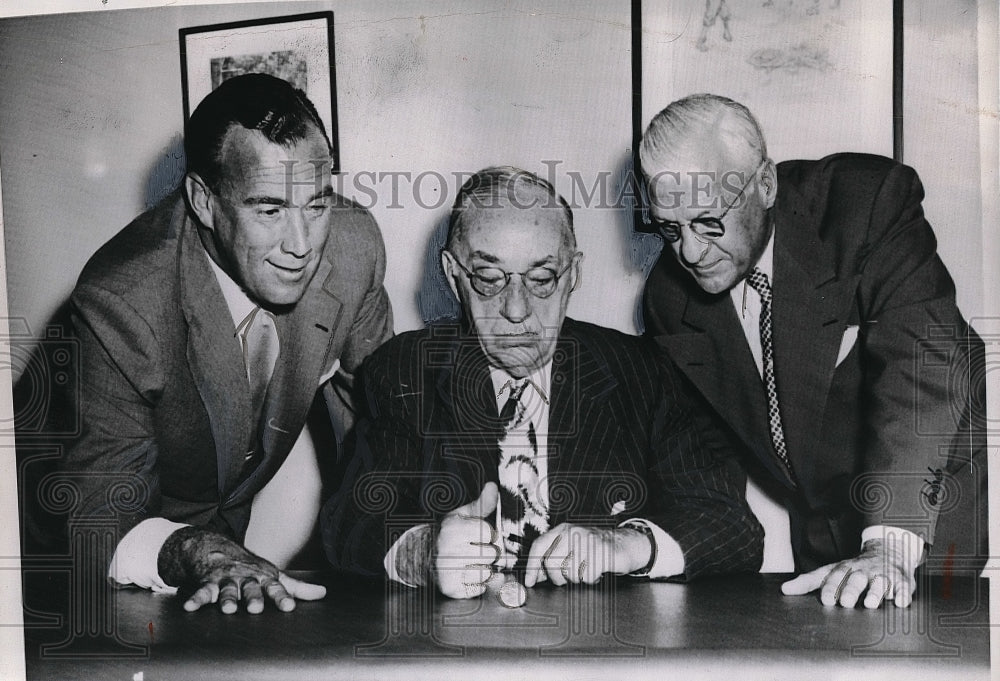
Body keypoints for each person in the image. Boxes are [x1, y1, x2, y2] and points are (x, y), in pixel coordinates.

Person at [322, 166, 763, 598]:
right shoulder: (405, 370)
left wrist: (628, 546)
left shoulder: (643, 372)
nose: (517, 309)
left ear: (572, 275)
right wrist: (419, 553)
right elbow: (347, 523)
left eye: (542, 278)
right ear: (454, 276)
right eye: (489, 279)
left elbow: (732, 527)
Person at [60, 74, 393, 614]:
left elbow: (386, 428)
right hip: (104, 564)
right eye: (269, 211)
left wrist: (424, 532)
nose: (302, 245)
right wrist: (200, 549)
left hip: (231, 562)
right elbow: (101, 520)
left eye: (316, 205)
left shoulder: (353, 251)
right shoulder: (120, 302)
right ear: (203, 200)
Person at [639, 93, 985, 609]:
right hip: (819, 518)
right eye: (670, 229)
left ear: (765, 183)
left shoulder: (866, 205)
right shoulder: (668, 300)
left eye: (709, 222)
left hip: (925, 505)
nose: (689, 252)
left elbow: (923, 365)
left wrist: (889, 547)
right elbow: (702, 453)